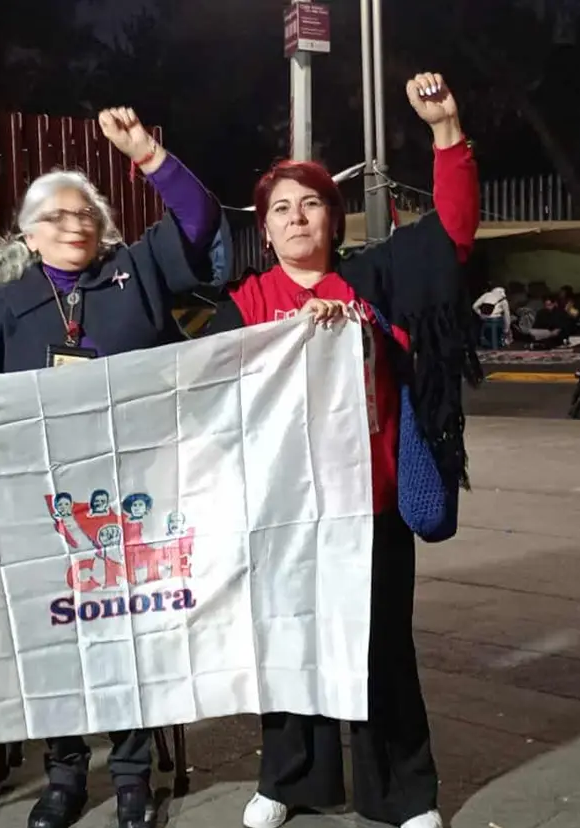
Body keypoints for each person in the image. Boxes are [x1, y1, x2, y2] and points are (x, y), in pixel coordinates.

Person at [202, 71, 481, 828]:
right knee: (289, 646)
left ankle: (401, 793)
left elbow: (453, 232)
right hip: (284, 516)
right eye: (281, 209)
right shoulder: (244, 306)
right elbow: (195, 396)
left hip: (373, 502)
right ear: (264, 230)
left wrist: (445, 132)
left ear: (336, 216)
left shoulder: (374, 279)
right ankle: (289, 779)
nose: (297, 218)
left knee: (382, 648)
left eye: (312, 203)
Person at [0, 106, 221, 828]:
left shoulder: (135, 269)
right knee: (56, 636)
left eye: (85, 214)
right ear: (29, 232)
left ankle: (132, 775)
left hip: (133, 498)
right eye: (56, 215)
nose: (73, 224)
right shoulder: (7, 304)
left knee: (126, 631)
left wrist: (144, 151)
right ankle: (65, 774)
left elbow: (198, 219)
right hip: (42, 506)